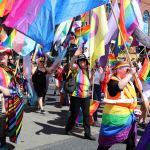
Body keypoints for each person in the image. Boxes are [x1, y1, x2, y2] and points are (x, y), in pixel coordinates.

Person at [97, 61, 142, 150]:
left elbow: (140, 88)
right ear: (118, 70)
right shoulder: (112, 80)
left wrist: (135, 75)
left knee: (131, 142)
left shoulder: (129, 82)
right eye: (126, 69)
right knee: (105, 144)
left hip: (128, 118)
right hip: (114, 120)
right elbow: (116, 88)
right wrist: (130, 74)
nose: (128, 70)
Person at [65, 48, 96, 141]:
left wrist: (93, 75)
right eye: (81, 61)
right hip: (76, 96)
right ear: (79, 63)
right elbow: (70, 65)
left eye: (84, 61)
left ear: (86, 62)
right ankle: (68, 128)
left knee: (86, 115)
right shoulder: (76, 70)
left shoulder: (88, 71)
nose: (83, 63)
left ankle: (87, 134)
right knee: (74, 114)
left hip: (85, 97)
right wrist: (75, 55)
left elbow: (90, 83)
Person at [0, 48, 24, 148]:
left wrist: (20, 82)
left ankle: (2, 141)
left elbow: (20, 82)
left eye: (4, 54)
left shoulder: (11, 69)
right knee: (1, 122)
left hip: (11, 100)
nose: (1, 56)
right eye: (0, 54)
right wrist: (2, 88)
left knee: (6, 123)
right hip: (1, 98)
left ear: (7, 56)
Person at [91, 61, 104, 126]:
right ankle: (95, 120)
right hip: (93, 86)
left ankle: (93, 118)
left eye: (99, 63)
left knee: (98, 103)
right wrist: (92, 73)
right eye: (97, 63)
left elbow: (101, 80)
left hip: (98, 86)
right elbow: (91, 80)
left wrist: (103, 73)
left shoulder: (100, 69)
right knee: (95, 103)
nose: (99, 64)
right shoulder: (92, 68)